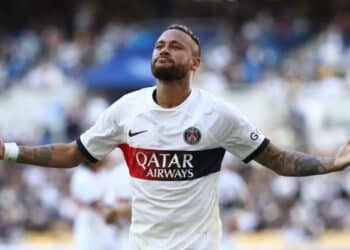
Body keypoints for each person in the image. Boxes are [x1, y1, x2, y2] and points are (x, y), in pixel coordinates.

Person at [1, 24, 350, 250]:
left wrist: (330, 164)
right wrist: (8, 150)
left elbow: (279, 161)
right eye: (160, 45)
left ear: (195, 63)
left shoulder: (218, 115)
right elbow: (72, 153)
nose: (165, 49)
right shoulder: (126, 109)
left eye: (176, 47)